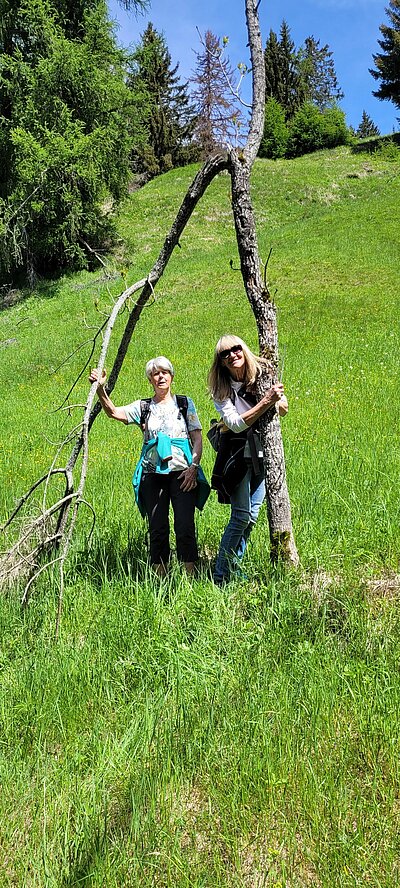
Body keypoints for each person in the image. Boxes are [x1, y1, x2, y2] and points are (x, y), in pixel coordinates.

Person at [89, 357, 209, 576]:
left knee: (184, 527)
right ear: (150, 380)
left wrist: (194, 466)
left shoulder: (184, 403)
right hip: (152, 476)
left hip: (183, 474)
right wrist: (100, 389)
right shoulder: (143, 406)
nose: (160, 377)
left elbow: (197, 438)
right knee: (157, 528)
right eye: (156, 374)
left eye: (164, 372)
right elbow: (114, 412)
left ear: (171, 376)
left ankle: (190, 579)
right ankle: (161, 580)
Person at [208, 334, 288, 585]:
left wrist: (278, 400)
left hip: (265, 453)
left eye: (236, 348)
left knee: (252, 515)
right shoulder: (221, 390)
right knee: (241, 515)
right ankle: (221, 575)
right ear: (221, 362)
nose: (233, 355)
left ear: (243, 349)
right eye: (225, 353)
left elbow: (283, 408)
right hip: (237, 457)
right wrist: (267, 401)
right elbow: (235, 424)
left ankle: (234, 567)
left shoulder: (263, 373)